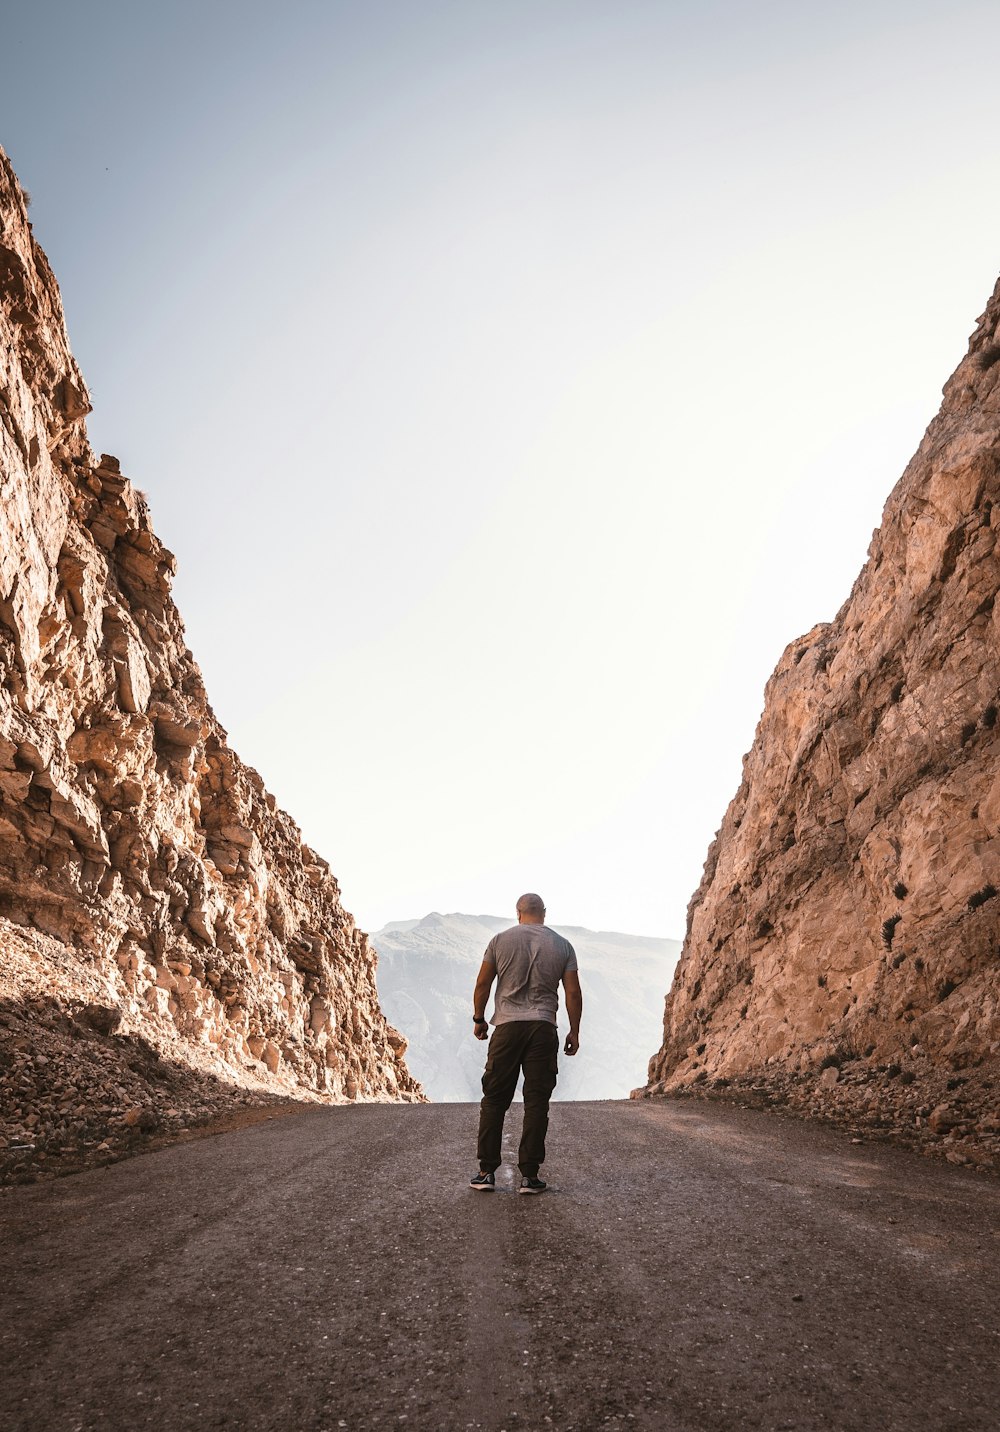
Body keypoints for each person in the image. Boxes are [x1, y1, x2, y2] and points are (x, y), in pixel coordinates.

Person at [469, 893, 582, 1194]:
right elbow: (573, 993)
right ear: (543, 913)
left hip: (506, 1027)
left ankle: (485, 1172)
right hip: (543, 1028)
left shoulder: (499, 941)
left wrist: (479, 1019)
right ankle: (530, 1177)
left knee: (494, 1099)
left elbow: (483, 983)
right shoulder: (562, 945)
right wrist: (574, 1031)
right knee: (536, 1102)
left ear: (518, 913)